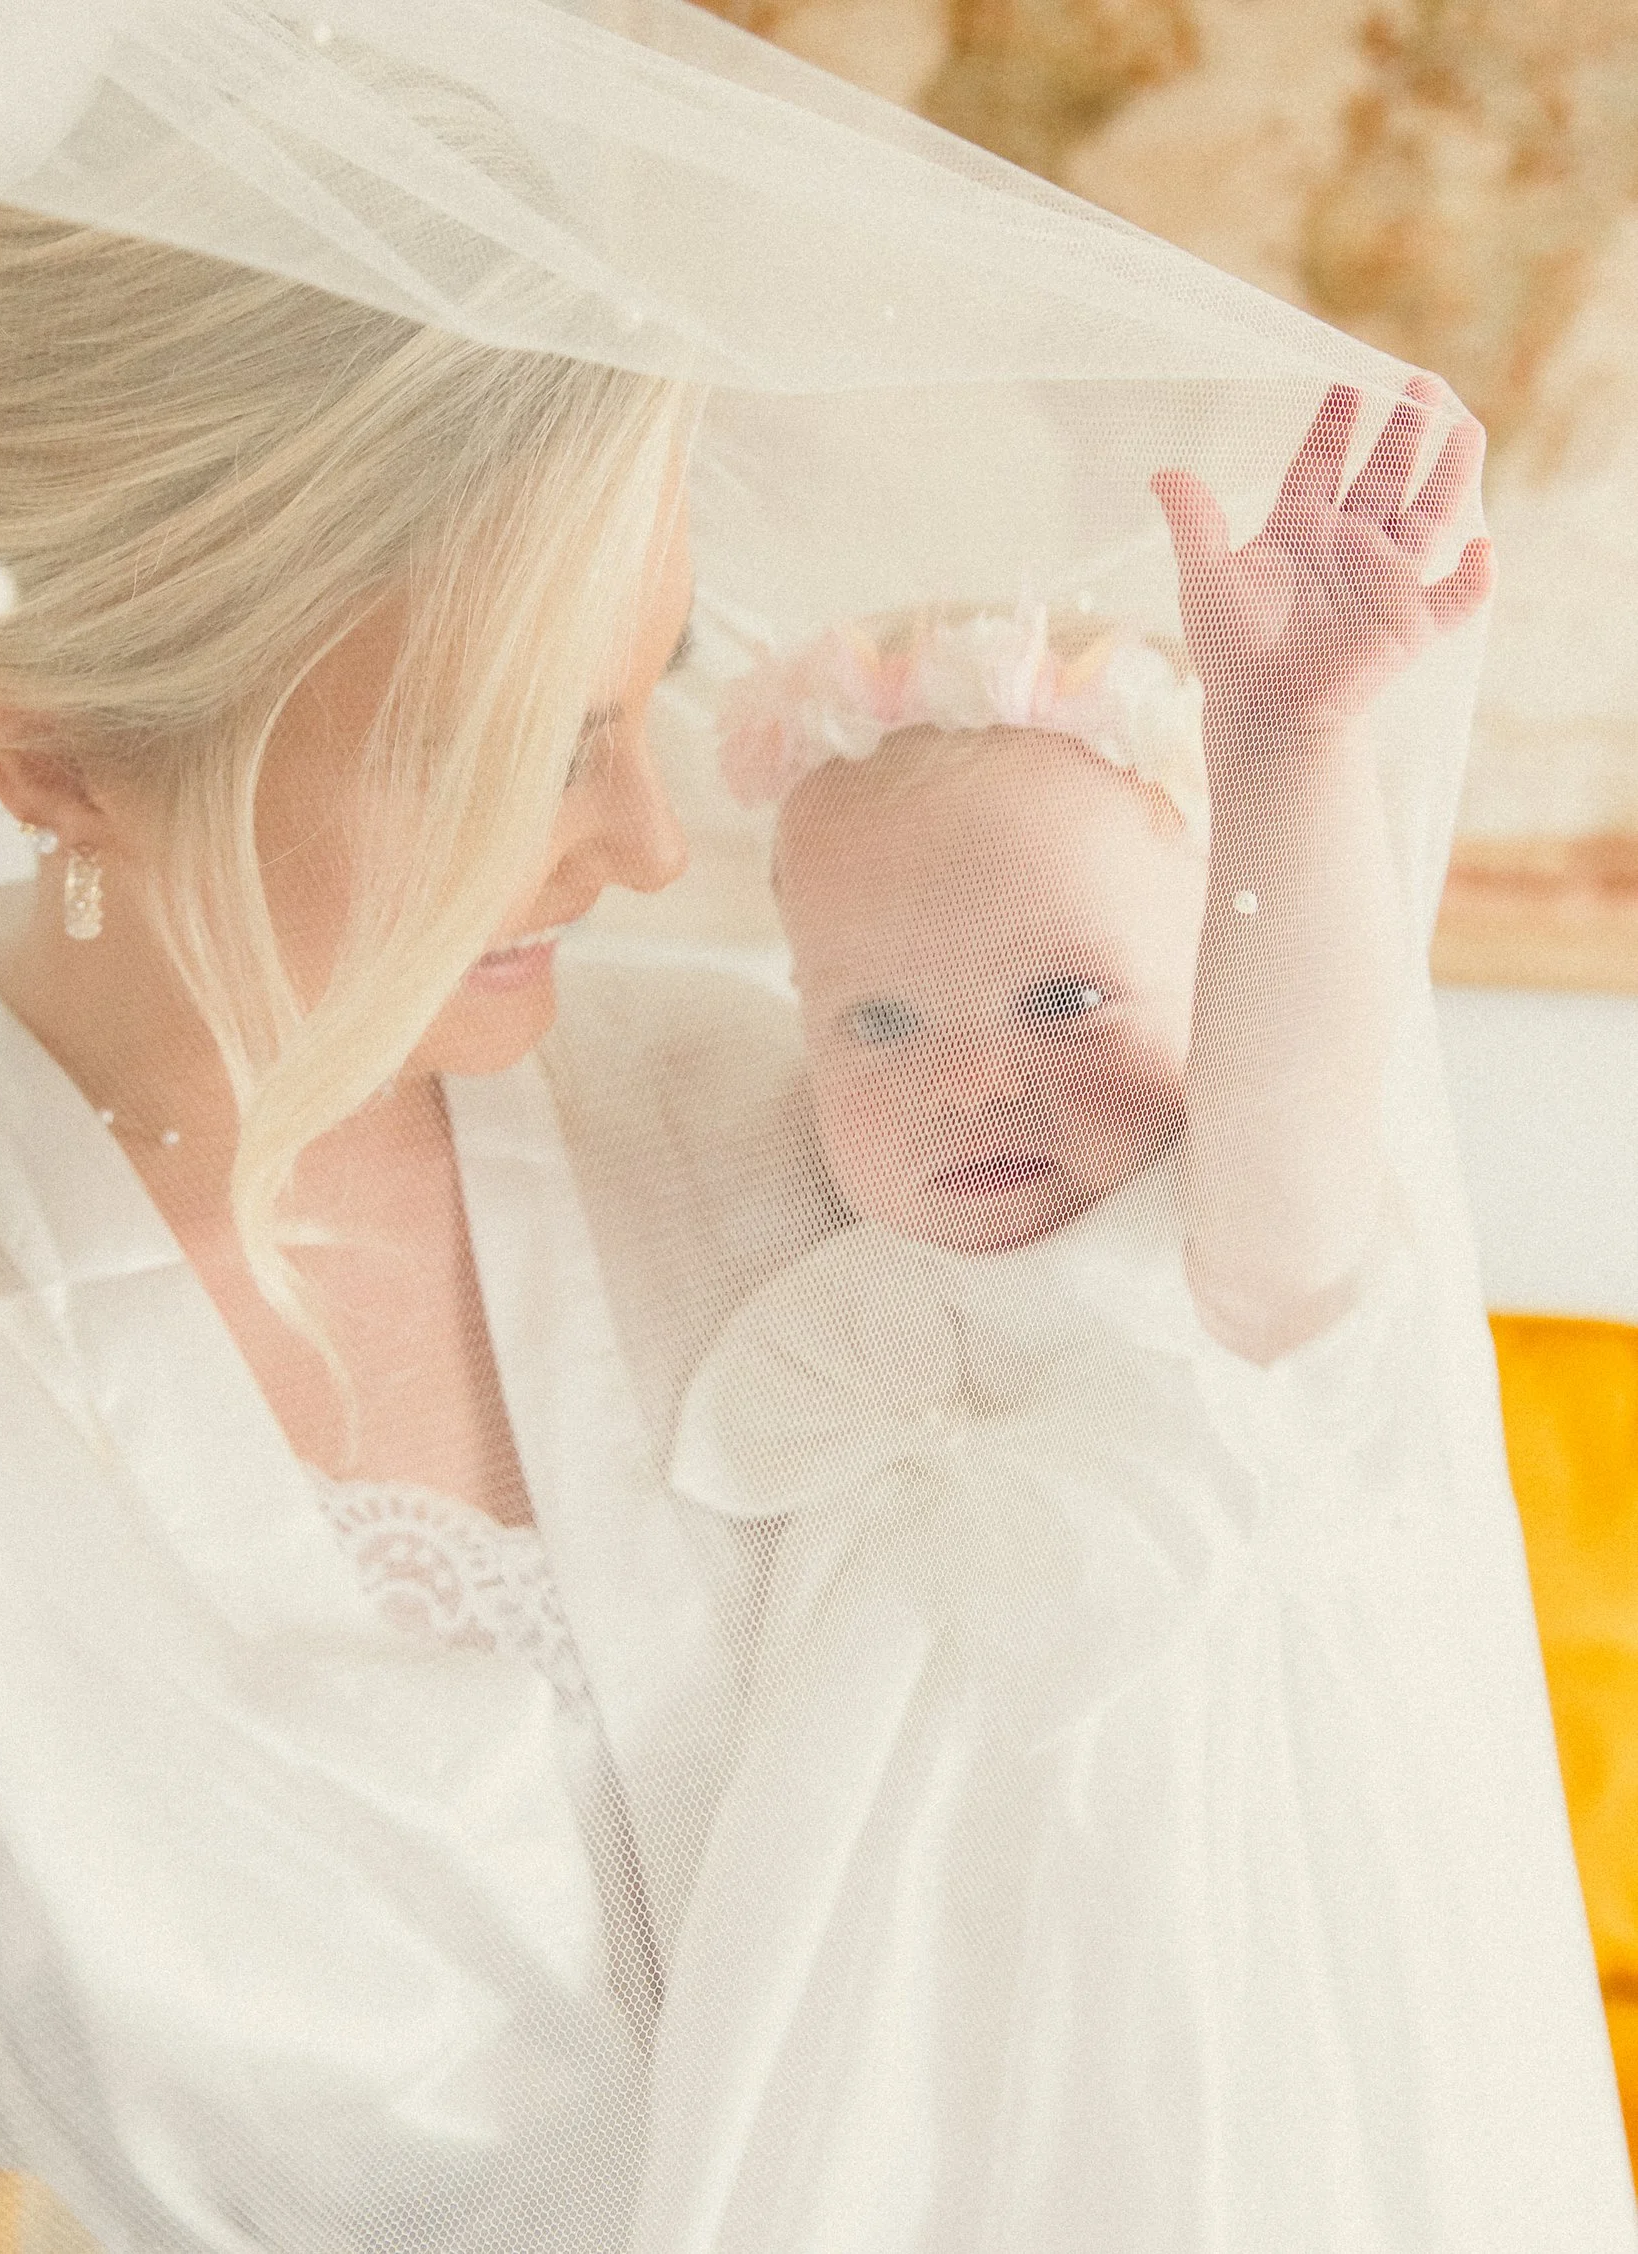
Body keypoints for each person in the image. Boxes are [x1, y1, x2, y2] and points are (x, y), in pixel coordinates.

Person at [0, 3, 1630, 2253]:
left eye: (646, 694)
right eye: (518, 739)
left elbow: (1308, 1371)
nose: (656, 846)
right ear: (45, 746)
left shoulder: (830, 1097)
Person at [639, 405, 1557, 2251]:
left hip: (1202, 1958)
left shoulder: (1233, 1259)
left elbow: (1304, 1068)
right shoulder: (842, 1284)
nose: (973, 1082)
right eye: (879, 1024)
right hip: (880, 1985)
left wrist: (1293, 746)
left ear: (1204, 992)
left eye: (1067, 993)